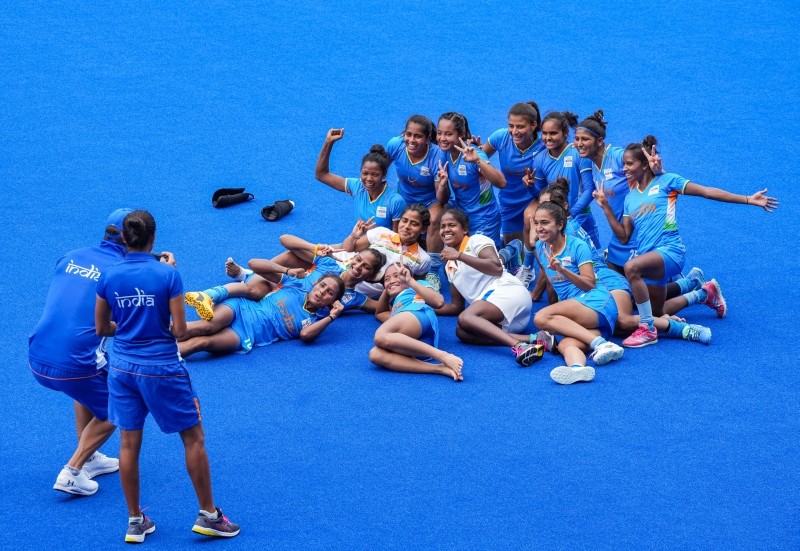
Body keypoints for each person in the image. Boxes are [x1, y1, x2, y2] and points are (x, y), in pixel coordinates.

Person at [95, 210, 239, 542]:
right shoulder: (167, 275)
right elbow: (179, 330)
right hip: (162, 369)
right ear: (153, 239)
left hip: (122, 369)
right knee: (193, 439)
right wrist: (169, 275)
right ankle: (209, 515)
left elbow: (102, 327)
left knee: (128, 443)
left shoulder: (108, 276)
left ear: (124, 239)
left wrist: (130, 326)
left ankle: (135, 521)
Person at [593, 135, 778, 347]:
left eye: (629, 164)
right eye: (623, 164)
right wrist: (606, 207)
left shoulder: (666, 181)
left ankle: (647, 329)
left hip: (670, 251)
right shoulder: (630, 198)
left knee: (631, 268)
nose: (623, 168)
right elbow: (624, 235)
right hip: (650, 259)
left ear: (644, 164)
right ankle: (702, 293)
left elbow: (707, 192)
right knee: (658, 312)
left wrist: (747, 199)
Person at [28, 208, 131, 496]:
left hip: (37, 355)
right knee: (119, 406)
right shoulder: (121, 273)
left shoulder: (72, 255)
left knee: (88, 386)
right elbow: (121, 322)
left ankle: (90, 457)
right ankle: (72, 472)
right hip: (73, 365)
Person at [539, 180, 712, 347]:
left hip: (604, 281)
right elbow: (553, 278)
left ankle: (688, 318)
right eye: (542, 207)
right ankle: (691, 285)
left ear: (562, 210)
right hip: (594, 285)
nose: (545, 210)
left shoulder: (567, 236)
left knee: (624, 321)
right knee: (631, 313)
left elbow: (582, 279)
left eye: (550, 206)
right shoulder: (550, 238)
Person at [434, 208, 550, 367]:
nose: (446, 229)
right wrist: (425, 307)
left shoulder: (477, 240)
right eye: (442, 226)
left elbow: (496, 268)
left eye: (451, 225)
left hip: (509, 293)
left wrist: (460, 255)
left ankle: (519, 347)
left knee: (466, 318)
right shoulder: (449, 266)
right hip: (507, 320)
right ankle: (535, 339)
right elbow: (456, 306)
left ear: (465, 229)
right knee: (462, 332)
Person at [531, 201, 625, 385]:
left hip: (596, 302)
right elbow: (553, 285)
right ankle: (577, 369)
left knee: (541, 318)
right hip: (582, 316)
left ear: (560, 225)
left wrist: (564, 270)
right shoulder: (542, 250)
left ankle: (601, 345)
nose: (539, 228)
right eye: (536, 223)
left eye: (544, 222)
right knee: (566, 344)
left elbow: (590, 284)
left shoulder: (577, 246)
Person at [185, 234, 385, 319]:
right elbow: (284, 239)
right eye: (358, 260)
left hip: (288, 311)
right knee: (253, 291)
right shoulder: (330, 262)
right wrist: (314, 247)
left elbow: (383, 309)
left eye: (366, 268)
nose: (358, 267)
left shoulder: (356, 298)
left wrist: (403, 287)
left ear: (371, 275)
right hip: (285, 284)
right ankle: (208, 295)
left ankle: (246, 275)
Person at [179, 274, 346, 357]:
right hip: (241, 308)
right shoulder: (296, 285)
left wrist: (332, 316)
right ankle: (153, 333)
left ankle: (157, 358)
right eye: (322, 285)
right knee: (205, 327)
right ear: (316, 283)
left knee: (202, 342)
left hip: (247, 334)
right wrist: (286, 270)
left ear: (333, 301)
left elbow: (305, 335)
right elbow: (256, 264)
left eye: (330, 293)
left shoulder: (317, 320)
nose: (322, 292)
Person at [369, 263, 464, 381]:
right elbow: (380, 313)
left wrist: (410, 281)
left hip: (419, 313)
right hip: (418, 340)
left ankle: (442, 355)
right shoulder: (396, 308)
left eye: (396, 275)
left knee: (380, 336)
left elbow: (438, 302)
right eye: (387, 279)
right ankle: (440, 369)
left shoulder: (416, 286)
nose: (391, 280)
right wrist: (388, 287)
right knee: (375, 354)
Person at [386, 115, 448, 280]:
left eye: (418, 136)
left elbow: (441, 199)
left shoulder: (438, 155)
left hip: (429, 200)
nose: (411, 140)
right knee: (386, 213)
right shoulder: (395, 145)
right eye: (408, 134)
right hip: (403, 197)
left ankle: (433, 271)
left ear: (428, 138)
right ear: (403, 134)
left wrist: (442, 185)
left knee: (435, 219)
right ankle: (392, 257)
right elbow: (379, 169)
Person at [435, 112, 506, 248]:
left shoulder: (474, 154)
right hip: (462, 215)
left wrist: (477, 161)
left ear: (461, 134)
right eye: (439, 133)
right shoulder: (445, 154)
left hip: (484, 217)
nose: (442, 138)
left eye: (448, 134)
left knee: (484, 262)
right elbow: (441, 200)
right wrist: (443, 186)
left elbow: (501, 182)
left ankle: (510, 251)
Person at [481, 101, 545, 247]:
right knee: (514, 251)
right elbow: (480, 156)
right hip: (508, 203)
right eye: (511, 126)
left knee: (534, 245)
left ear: (533, 125)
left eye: (520, 126)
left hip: (533, 200)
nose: (514, 131)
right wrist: (475, 149)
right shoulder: (501, 137)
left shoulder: (544, 145)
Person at [315, 128, 405, 230]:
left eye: (375, 174)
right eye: (365, 173)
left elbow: (396, 239)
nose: (369, 179)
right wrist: (328, 142)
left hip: (381, 245)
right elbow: (321, 174)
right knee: (318, 247)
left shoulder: (394, 201)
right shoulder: (357, 186)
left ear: (384, 175)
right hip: (356, 242)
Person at [338, 204, 432, 296]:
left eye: (414, 224)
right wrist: (354, 236)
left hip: (357, 294)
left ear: (423, 230)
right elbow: (346, 249)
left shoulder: (423, 259)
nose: (407, 226)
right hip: (340, 271)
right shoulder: (381, 232)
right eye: (404, 221)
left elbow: (416, 287)